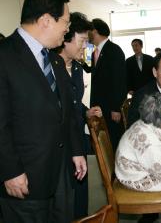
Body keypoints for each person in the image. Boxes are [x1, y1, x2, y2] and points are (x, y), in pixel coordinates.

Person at [0, 0, 87, 222]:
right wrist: (10, 171)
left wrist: (76, 150)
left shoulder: (54, 61)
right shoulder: (5, 56)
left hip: (60, 173)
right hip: (25, 177)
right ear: (46, 20)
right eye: (65, 22)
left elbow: (65, 113)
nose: (67, 29)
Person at [53, 12, 102, 220]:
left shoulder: (77, 69)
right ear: (66, 39)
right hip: (59, 143)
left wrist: (85, 111)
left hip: (78, 138)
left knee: (81, 194)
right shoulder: (50, 67)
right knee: (63, 200)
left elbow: (73, 103)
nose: (85, 47)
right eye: (82, 41)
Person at [88, 18, 127, 149]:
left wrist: (116, 108)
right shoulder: (95, 52)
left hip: (111, 108)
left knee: (114, 142)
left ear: (95, 31)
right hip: (99, 107)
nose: (87, 33)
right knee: (104, 144)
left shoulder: (114, 50)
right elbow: (91, 70)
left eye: (89, 30)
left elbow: (120, 80)